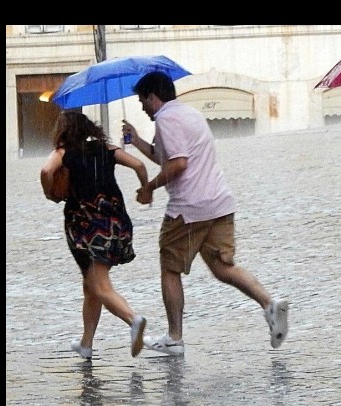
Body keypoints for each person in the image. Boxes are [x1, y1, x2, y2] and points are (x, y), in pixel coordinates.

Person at [121, 71, 288, 355]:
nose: (142, 107)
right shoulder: (189, 114)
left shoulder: (166, 119)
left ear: (152, 96)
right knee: (222, 266)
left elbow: (179, 164)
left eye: (142, 101)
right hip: (219, 203)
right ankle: (269, 305)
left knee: (170, 269)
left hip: (189, 209)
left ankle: (174, 338)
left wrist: (149, 187)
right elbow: (167, 156)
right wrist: (136, 141)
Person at [40, 111, 150, 359]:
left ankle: (133, 319)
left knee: (98, 285)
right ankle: (86, 344)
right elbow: (139, 165)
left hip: (85, 227)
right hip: (115, 224)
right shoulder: (107, 149)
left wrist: (51, 194)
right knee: (91, 285)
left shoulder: (63, 153)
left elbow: (46, 172)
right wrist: (145, 189)